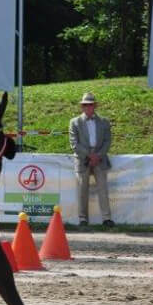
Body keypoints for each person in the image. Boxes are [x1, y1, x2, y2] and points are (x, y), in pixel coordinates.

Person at [68, 91, 114, 227]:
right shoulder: (74, 122)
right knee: (82, 189)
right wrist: (89, 155)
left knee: (103, 189)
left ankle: (106, 218)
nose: (88, 107)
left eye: (90, 105)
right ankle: (83, 218)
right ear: (82, 107)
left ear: (95, 106)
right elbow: (74, 144)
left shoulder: (104, 122)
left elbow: (107, 141)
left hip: (100, 158)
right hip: (83, 158)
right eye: (85, 105)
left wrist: (98, 155)